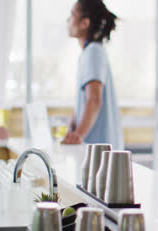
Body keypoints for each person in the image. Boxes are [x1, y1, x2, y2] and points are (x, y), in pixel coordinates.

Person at [63, 0, 124, 149]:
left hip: (100, 152)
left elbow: (94, 100)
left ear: (84, 23)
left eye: (72, 15)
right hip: (98, 151)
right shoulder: (89, 52)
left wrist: (78, 135)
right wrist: (72, 128)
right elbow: (84, 102)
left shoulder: (93, 52)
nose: (68, 20)